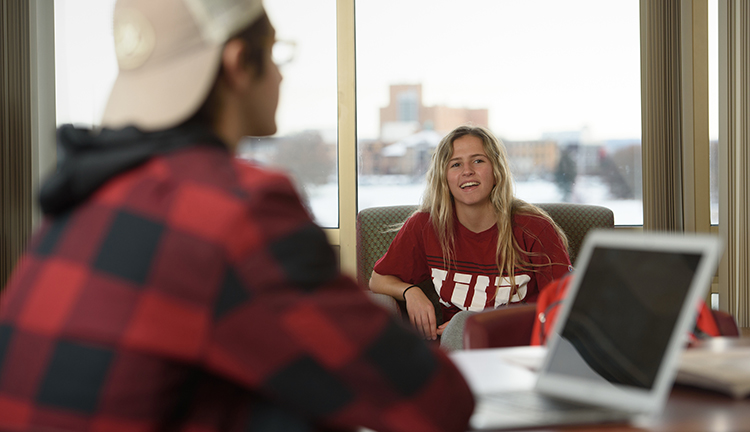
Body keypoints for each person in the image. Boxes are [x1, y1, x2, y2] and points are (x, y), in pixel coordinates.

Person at [0, 1, 474, 431]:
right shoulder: (236, 208)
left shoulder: (82, 199)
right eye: (275, 54)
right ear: (238, 63)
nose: (283, 76)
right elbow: (435, 403)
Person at [370, 125, 572, 349]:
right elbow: (378, 280)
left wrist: (480, 327)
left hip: (520, 348)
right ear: (444, 177)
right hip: (457, 347)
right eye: (456, 164)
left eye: (478, 161)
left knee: (464, 323)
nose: (467, 171)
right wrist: (410, 291)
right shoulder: (426, 225)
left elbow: (564, 307)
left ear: (496, 171)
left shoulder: (534, 228)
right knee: (461, 326)